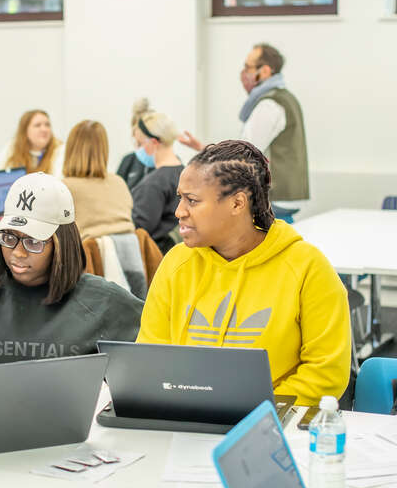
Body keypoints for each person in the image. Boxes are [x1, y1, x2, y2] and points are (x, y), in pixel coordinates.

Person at [136, 140, 349, 407]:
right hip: (186, 418)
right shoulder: (176, 263)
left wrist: (255, 410)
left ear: (237, 204)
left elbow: (327, 373)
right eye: (180, 198)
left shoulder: (308, 268)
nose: (179, 211)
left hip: (275, 427)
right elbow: (151, 356)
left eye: (192, 200)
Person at [0, 172, 143, 392]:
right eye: (9, 237)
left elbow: (155, 359)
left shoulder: (105, 303)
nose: (18, 252)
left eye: (34, 241)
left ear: (62, 243)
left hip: (73, 430)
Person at [179, 43, 309, 220]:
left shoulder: (270, 104)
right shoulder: (284, 98)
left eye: (248, 67)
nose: (243, 73)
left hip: (276, 196)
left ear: (264, 71)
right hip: (286, 194)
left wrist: (205, 153)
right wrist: (202, 148)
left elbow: (244, 153)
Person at [61, 120, 134, 240]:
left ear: (70, 149)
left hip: (89, 255)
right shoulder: (119, 182)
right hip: (129, 254)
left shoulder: (65, 188)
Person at [130, 110, 184, 254]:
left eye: (140, 143)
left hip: (159, 257)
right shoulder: (186, 173)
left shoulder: (153, 184)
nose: (137, 149)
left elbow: (139, 231)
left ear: (154, 142)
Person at [0, 109, 64, 176]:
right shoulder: (13, 147)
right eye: (37, 125)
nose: (44, 129)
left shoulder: (60, 149)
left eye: (47, 125)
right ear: (25, 130)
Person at [116, 98, 155, 190]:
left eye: (141, 143)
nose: (141, 148)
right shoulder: (128, 161)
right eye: (138, 144)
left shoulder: (169, 166)